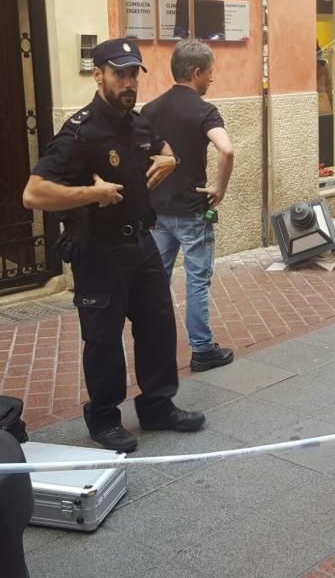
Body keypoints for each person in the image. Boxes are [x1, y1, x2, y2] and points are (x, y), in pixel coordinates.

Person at [22, 38, 205, 453]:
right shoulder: (79, 132)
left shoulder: (137, 123)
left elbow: (159, 147)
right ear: (97, 74)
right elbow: (33, 194)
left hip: (142, 244)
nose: (127, 82)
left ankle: (158, 406)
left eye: (133, 74)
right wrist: (91, 194)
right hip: (99, 253)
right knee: (104, 340)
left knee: (158, 327)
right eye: (118, 73)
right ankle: (104, 419)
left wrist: (169, 158)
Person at [141, 39, 235, 372]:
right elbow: (226, 149)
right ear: (196, 72)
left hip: (158, 212)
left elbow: (139, 158)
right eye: (210, 73)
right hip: (192, 210)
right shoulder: (203, 110)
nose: (212, 80)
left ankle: (153, 347)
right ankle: (202, 349)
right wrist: (219, 189)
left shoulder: (150, 110)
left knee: (156, 281)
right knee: (197, 280)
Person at [317, 43, 334, 172]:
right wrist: (331, 103)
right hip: (324, 102)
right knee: (325, 134)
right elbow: (329, 86)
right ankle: (325, 162)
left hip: (315, 101)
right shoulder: (324, 66)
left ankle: (319, 163)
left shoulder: (308, 65)